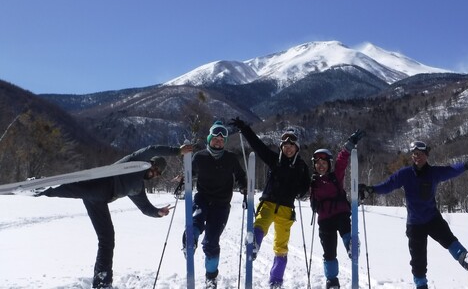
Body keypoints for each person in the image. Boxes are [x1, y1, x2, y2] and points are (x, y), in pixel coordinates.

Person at [39, 143, 193, 289]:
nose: (154, 174)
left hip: (99, 202)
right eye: (155, 170)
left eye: (157, 174)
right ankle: (43, 189)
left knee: (107, 239)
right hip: (100, 185)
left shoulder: (137, 187)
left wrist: (157, 212)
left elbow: (145, 208)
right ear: (151, 163)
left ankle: (102, 282)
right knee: (73, 190)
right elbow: (152, 149)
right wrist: (178, 151)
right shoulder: (136, 161)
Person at [359, 141, 468, 289]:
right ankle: (421, 286)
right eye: (414, 154)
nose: (416, 157)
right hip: (415, 224)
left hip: (432, 218)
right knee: (418, 261)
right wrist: (371, 189)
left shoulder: (433, 173)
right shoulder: (405, 174)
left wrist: (467, 164)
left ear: (426, 155)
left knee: (448, 239)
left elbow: (451, 170)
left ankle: (464, 258)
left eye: (419, 154)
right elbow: (388, 185)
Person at [230, 117, 310, 288]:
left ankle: (276, 280)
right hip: (268, 203)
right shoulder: (275, 160)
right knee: (260, 223)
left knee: (281, 246)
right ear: (282, 148)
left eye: (291, 146)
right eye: (285, 146)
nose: (288, 149)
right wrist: (244, 128)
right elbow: (258, 146)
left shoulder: (302, 167)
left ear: (297, 148)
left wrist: (302, 192)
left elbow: (306, 185)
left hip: (286, 210)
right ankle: (253, 245)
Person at [181, 121, 247, 288]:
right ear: (209, 139)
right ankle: (190, 240)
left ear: (224, 142)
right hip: (202, 199)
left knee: (211, 242)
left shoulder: (231, 158)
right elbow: (190, 174)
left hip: (222, 205)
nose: (218, 142)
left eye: (221, 140)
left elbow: (240, 175)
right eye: (215, 139)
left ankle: (211, 277)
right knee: (197, 219)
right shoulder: (200, 157)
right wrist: (182, 182)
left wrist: (244, 186)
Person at [310, 129, 365, 289]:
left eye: (324, 163)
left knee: (345, 229)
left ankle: (351, 245)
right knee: (329, 252)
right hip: (325, 220)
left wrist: (349, 145)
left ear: (328, 164)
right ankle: (332, 280)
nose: (321, 166)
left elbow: (342, 161)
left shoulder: (335, 176)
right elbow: (311, 199)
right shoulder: (313, 182)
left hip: (340, 213)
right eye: (318, 163)